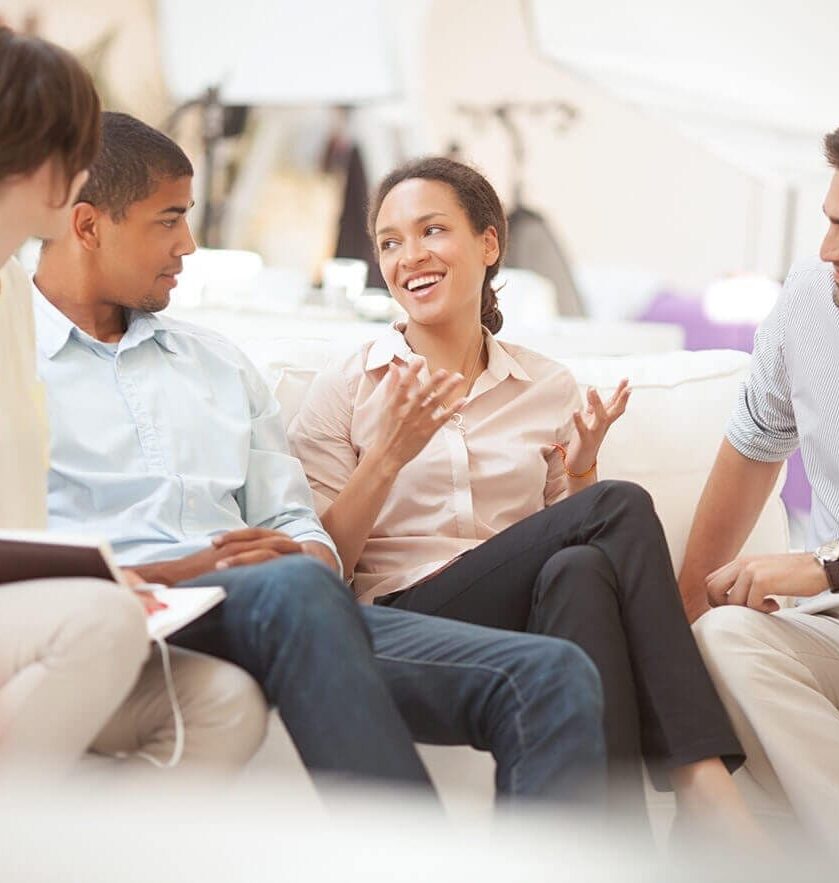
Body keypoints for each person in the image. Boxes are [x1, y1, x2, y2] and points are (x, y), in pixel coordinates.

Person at [33, 110, 607, 803]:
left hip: (274, 608)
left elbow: (298, 527)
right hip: (116, 607)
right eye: (168, 219)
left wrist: (301, 553)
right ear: (90, 226)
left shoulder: (218, 365)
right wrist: (189, 565)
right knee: (294, 589)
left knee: (554, 674)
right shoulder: (15, 365)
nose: (188, 243)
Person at [289, 155, 753, 838]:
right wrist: (387, 456)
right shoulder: (348, 385)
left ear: (488, 243)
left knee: (582, 568)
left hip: (517, 619)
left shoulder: (546, 387)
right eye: (389, 241)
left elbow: (560, 543)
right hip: (401, 617)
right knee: (617, 507)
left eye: (431, 231)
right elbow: (321, 572)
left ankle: (601, 852)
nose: (408, 255)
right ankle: (700, 777)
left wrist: (583, 473)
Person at [0, 28, 266, 778]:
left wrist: (107, 571)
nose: (89, 170)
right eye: (77, 148)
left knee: (222, 702)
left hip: (20, 604)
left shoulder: (15, 299)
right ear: (32, 155)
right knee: (99, 623)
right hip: (37, 616)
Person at [680, 108, 839, 852]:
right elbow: (748, 455)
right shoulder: (807, 302)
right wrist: (679, 640)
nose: (828, 249)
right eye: (830, 221)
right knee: (727, 636)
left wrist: (820, 566)